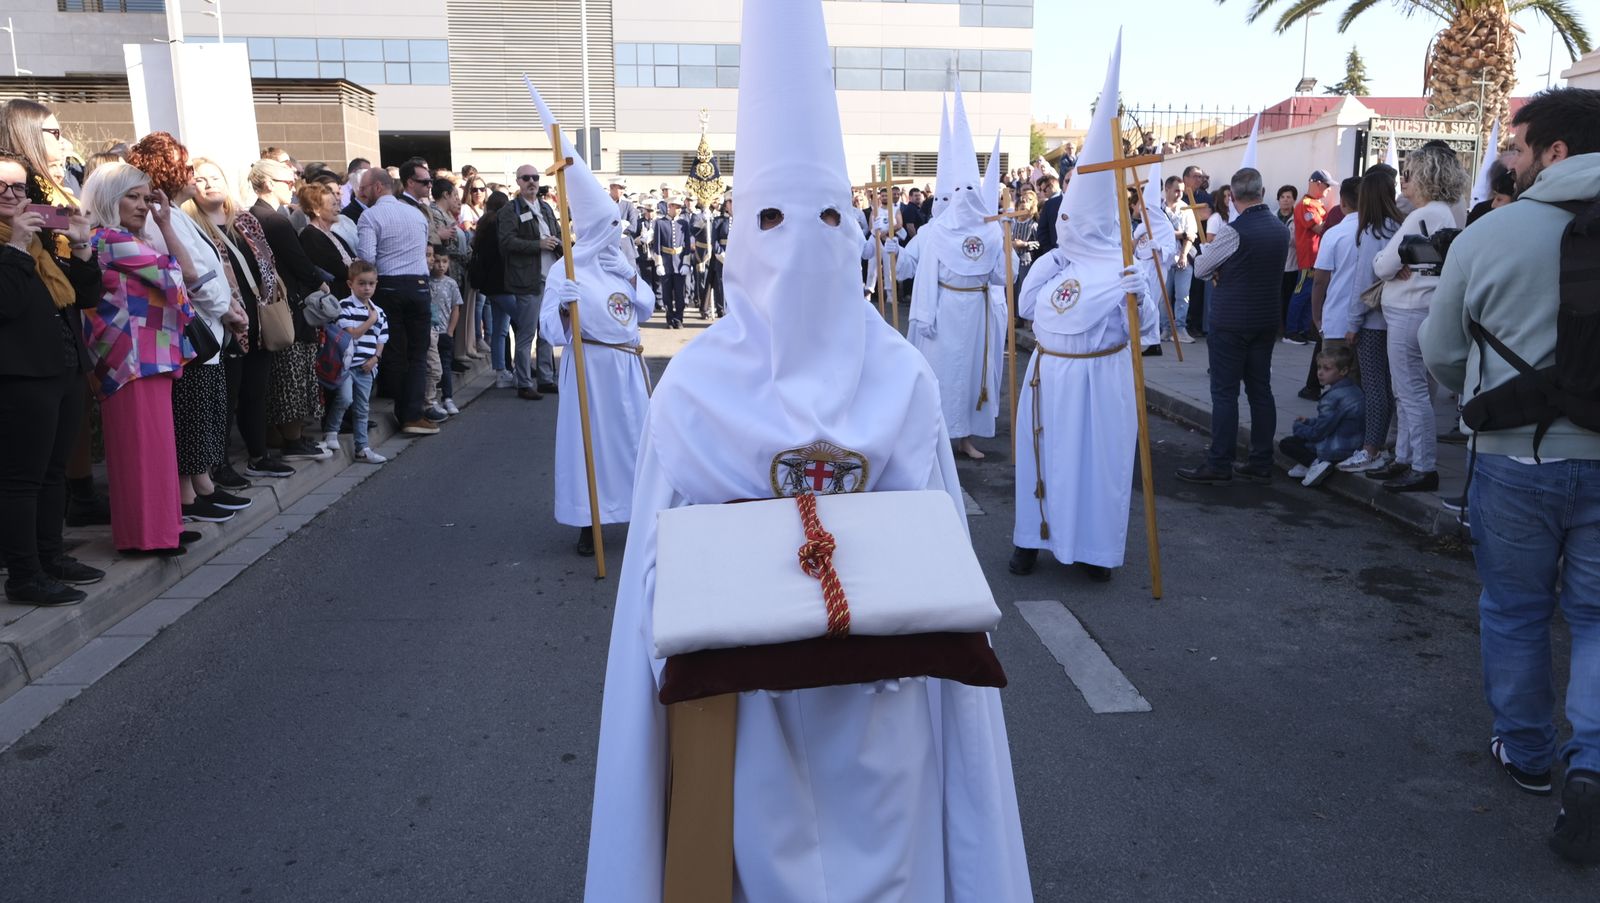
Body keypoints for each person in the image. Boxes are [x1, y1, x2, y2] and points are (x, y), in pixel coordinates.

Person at [584, 3, 1030, 897]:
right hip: (737, 716)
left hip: (886, 701)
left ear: (857, 232)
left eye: (828, 217)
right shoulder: (696, 384)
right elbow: (654, 586)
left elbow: (940, 548)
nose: (800, 248)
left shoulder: (901, 375)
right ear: (741, 237)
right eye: (774, 219)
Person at [1417, 87, 1600, 866]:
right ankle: (1591, 763)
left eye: (1518, 148)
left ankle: (1528, 754)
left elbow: (1440, 349)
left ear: (1555, 152)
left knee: (1517, 610)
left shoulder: (1491, 234)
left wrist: (1479, 396)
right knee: (1596, 616)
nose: (1509, 161)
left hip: (1517, 455)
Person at [1009, 41, 1159, 582]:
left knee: (1099, 466)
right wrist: (1047, 264)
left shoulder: (1125, 266)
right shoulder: (1058, 261)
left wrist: (1139, 297)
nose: (1066, 225)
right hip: (1049, 372)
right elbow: (1029, 309)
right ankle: (1031, 538)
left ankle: (1096, 551)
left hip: (1100, 376)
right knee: (1039, 460)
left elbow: (1144, 336)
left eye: (1076, 218)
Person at [525, 83, 656, 555]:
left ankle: (644, 515)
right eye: (606, 229)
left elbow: (644, 310)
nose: (613, 235)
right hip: (590, 369)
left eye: (616, 228)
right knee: (592, 448)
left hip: (628, 367)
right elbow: (548, 329)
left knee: (637, 443)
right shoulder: (567, 268)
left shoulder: (620, 262)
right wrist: (563, 305)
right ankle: (590, 521)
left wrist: (635, 281)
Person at [0, 151, 106, 604]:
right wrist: (15, 249)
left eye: (19, 188)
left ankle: (50, 557)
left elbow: (84, 295)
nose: (11, 195)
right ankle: (24, 575)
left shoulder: (39, 245)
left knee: (53, 473)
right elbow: (6, 304)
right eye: (1, 188)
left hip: (62, 369)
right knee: (22, 479)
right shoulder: (17, 246)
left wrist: (81, 245)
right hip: (20, 376)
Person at [126, 134, 248, 524]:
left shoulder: (175, 212)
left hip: (208, 321)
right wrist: (224, 307)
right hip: (190, 325)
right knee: (194, 413)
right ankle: (191, 494)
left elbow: (206, 267)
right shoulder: (161, 216)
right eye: (185, 164)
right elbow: (186, 272)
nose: (192, 174)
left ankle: (203, 486)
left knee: (205, 410)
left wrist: (227, 305)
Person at [81, 162, 199, 556]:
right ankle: (145, 537)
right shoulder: (110, 239)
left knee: (156, 448)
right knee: (141, 451)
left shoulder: (123, 238)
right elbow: (183, 274)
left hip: (146, 355)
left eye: (145, 197)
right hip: (127, 359)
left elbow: (182, 277)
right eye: (131, 196)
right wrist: (167, 232)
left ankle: (164, 528)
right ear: (108, 199)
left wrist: (165, 225)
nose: (142, 205)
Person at [890, 86, 1009, 460]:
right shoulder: (937, 232)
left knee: (971, 375)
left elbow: (999, 278)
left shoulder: (989, 232)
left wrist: (1004, 244)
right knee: (944, 373)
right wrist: (923, 312)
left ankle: (966, 437)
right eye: (961, 188)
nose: (967, 194)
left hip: (976, 315)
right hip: (944, 313)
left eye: (973, 188)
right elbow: (923, 276)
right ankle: (935, 437)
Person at [1176, 167, 1291, 484]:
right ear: (1263, 192)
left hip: (1232, 321)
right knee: (1260, 391)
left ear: (1233, 197)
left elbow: (1201, 267)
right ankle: (1261, 459)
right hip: (1266, 318)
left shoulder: (1234, 230)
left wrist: (1219, 268)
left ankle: (1220, 462)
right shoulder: (1280, 230)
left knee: (1225, 394)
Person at [1370, 143, 1468, 493]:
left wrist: (1389, 263)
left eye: (1408, 175)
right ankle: (1405, 458)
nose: (1404, 183)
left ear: (1425, 177)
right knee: (1416, 390)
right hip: (1429, 307)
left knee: (1409, 392)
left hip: (1409, 309)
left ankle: (1421, 465)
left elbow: (1383, 264)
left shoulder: (1421, 215)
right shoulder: (1453, 211)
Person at [248, 159, 334, 460]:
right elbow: (298, 261)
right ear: (269, 183)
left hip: (276, 303)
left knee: (282, 377)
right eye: (288, 183)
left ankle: (282, 436)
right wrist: (320, 283)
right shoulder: (273, 219)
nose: (294, 188)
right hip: (287, 306)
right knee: (292, 376)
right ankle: (293, 439)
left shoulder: (258, 215)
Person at [356, 164, 437, 435]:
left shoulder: (370, 217)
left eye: (365, 188)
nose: (361, 193)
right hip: (419, 286)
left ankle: (406, 413)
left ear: (378, 187)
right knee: (418, 352)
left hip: (389, 286)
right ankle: (413, 413)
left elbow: (367, 259)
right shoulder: (417, 215)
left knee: (396, 351)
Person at [1335, 166, 1403, 475]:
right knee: (1396, 388)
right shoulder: (1399, 227)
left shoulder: (1372, 231)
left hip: (1374, 321)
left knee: (1376, 387)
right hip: (1398, 317)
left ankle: (1370, 448)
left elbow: (1363, 281)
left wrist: (1352, 322)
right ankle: (1394, 446)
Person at [496, 163, 562, 398]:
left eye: (535, 177)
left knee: (547, 330)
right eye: (526, 178)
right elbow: (506, 242)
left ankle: (545, 378)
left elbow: (557, 234)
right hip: (528, 279)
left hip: (550, 278)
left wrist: (559, 244)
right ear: (518, 182)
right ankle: (524, 382)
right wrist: (538, 245)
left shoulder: (545, 207)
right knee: (526, 333)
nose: (531, 181)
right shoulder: (509, 210)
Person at [320, 259, 388, 464]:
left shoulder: (379, 311)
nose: (367, 288)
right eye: (362, 283)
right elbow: (352, 334)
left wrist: (376, 358)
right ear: (351, 284)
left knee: (362, 408)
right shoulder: (345, 307)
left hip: (367, 367)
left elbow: (382, 338)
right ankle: (331, 433)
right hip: (347, 366)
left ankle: (362, 447)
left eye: (371, 283)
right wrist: (370, 321)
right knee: (345, 398)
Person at [1279, 345, 1363, 487]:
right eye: (1319, 368)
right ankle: (1309, 464)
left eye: (1327, 369)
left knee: (1288, 443)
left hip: (1337, 450)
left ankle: (1315, 464)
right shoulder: (1353, 389)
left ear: (1343, 371)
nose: (1320, 373)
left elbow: (1318, 433)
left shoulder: (1332, 398)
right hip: (1354, 445)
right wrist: (1309, 421)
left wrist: (1299, 427)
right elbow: (1331, 422)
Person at [471, 190, 514, 386]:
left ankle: (501, 372)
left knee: (500, 329)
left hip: (490, 285)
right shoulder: (499, 226)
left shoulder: (484, 224)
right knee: (523, 322)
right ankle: (510, 371)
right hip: (504, 283)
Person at [1284, 170, 1331, 344]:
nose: (1328, 191)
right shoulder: (1306, 204)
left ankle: (1303, 329)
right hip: (1308, 257)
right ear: (1318, 184)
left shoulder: (1317, 204)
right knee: (1301, 293)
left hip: (1318, 257)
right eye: (1327, 186)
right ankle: (1291, 331)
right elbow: (1319, 228)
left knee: (1310, 294)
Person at [424, 243, 461, 419]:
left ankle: (448, 397)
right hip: (431, 331)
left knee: (445, 365)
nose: (440, 265)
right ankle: (432, 399)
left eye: (444, 261)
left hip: (445, 331)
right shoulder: (426, 281)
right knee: (431, 367)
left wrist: (451, 331)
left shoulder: (451, 284)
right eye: (437, 261)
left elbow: (455, 308)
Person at [652, 197, 691, 328]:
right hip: (667, 262)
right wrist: (659, 263)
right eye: (677, 207)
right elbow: (656, 245)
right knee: (667, 294)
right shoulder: (660, 223)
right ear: (671, 207)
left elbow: (687, 245)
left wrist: (686, 263)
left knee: (680, 294)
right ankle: (669, 319)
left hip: (679, 262)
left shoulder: (684, 223)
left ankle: (679, 318)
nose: (679, 210)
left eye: (681, 207)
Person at [1275, 184, 1300, 327]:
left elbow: (1297, 240)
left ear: (1293, 200)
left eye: (1289, 197)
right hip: (1275, 266)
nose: (1285, 200)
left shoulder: (1298, 218)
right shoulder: (1272, 216)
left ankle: (1286, 327)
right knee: (1274, 298)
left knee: (1288, 298)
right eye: (1282, 197)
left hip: (1292, 265)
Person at [707, 195, 730, 318]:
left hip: (736, 256)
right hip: (722, 255)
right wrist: (721, 254)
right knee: (721, 284)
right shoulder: (718, 220)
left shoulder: (740, 219)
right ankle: (722, 309)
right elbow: (714, 240)